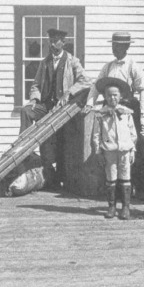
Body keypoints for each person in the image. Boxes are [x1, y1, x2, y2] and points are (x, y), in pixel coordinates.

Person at [20, 28, 91, 184]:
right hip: (46, 105)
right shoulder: (45, 62)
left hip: (62, 108)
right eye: (50, 41)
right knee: (26, 111)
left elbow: (86, 81)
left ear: (63, 43)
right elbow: (36, 85)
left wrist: (69, 93)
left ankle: (59, 178)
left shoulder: (72, 61)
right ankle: (24, 149)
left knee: (60, 143)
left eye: (56, 41)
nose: (52, 44)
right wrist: (34, 99)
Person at [83, 31, 144, 134]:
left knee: (130, 139)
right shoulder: (108, 66)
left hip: (127, 108)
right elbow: (96, 87)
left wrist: (142, 113)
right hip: (109, 107)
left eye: (118, 45)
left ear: (126, 47)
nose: (114, 48)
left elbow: (143, 90)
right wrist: (89, 104)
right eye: (113, 45)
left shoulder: (133, 66)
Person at [92, 77, 137, 220]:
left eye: (115, 95)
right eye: (109, 95)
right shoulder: (100, 115)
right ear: (105, 96)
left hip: (125, 150)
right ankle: (111, 206)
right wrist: (98, 152)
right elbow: (96, 135)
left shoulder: (126, 113)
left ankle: (125, 207)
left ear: (120, 96)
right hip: (109, 150)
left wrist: (132, 150)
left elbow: (133, 134)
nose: (112, 98)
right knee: (111, 178)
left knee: (125, 177)